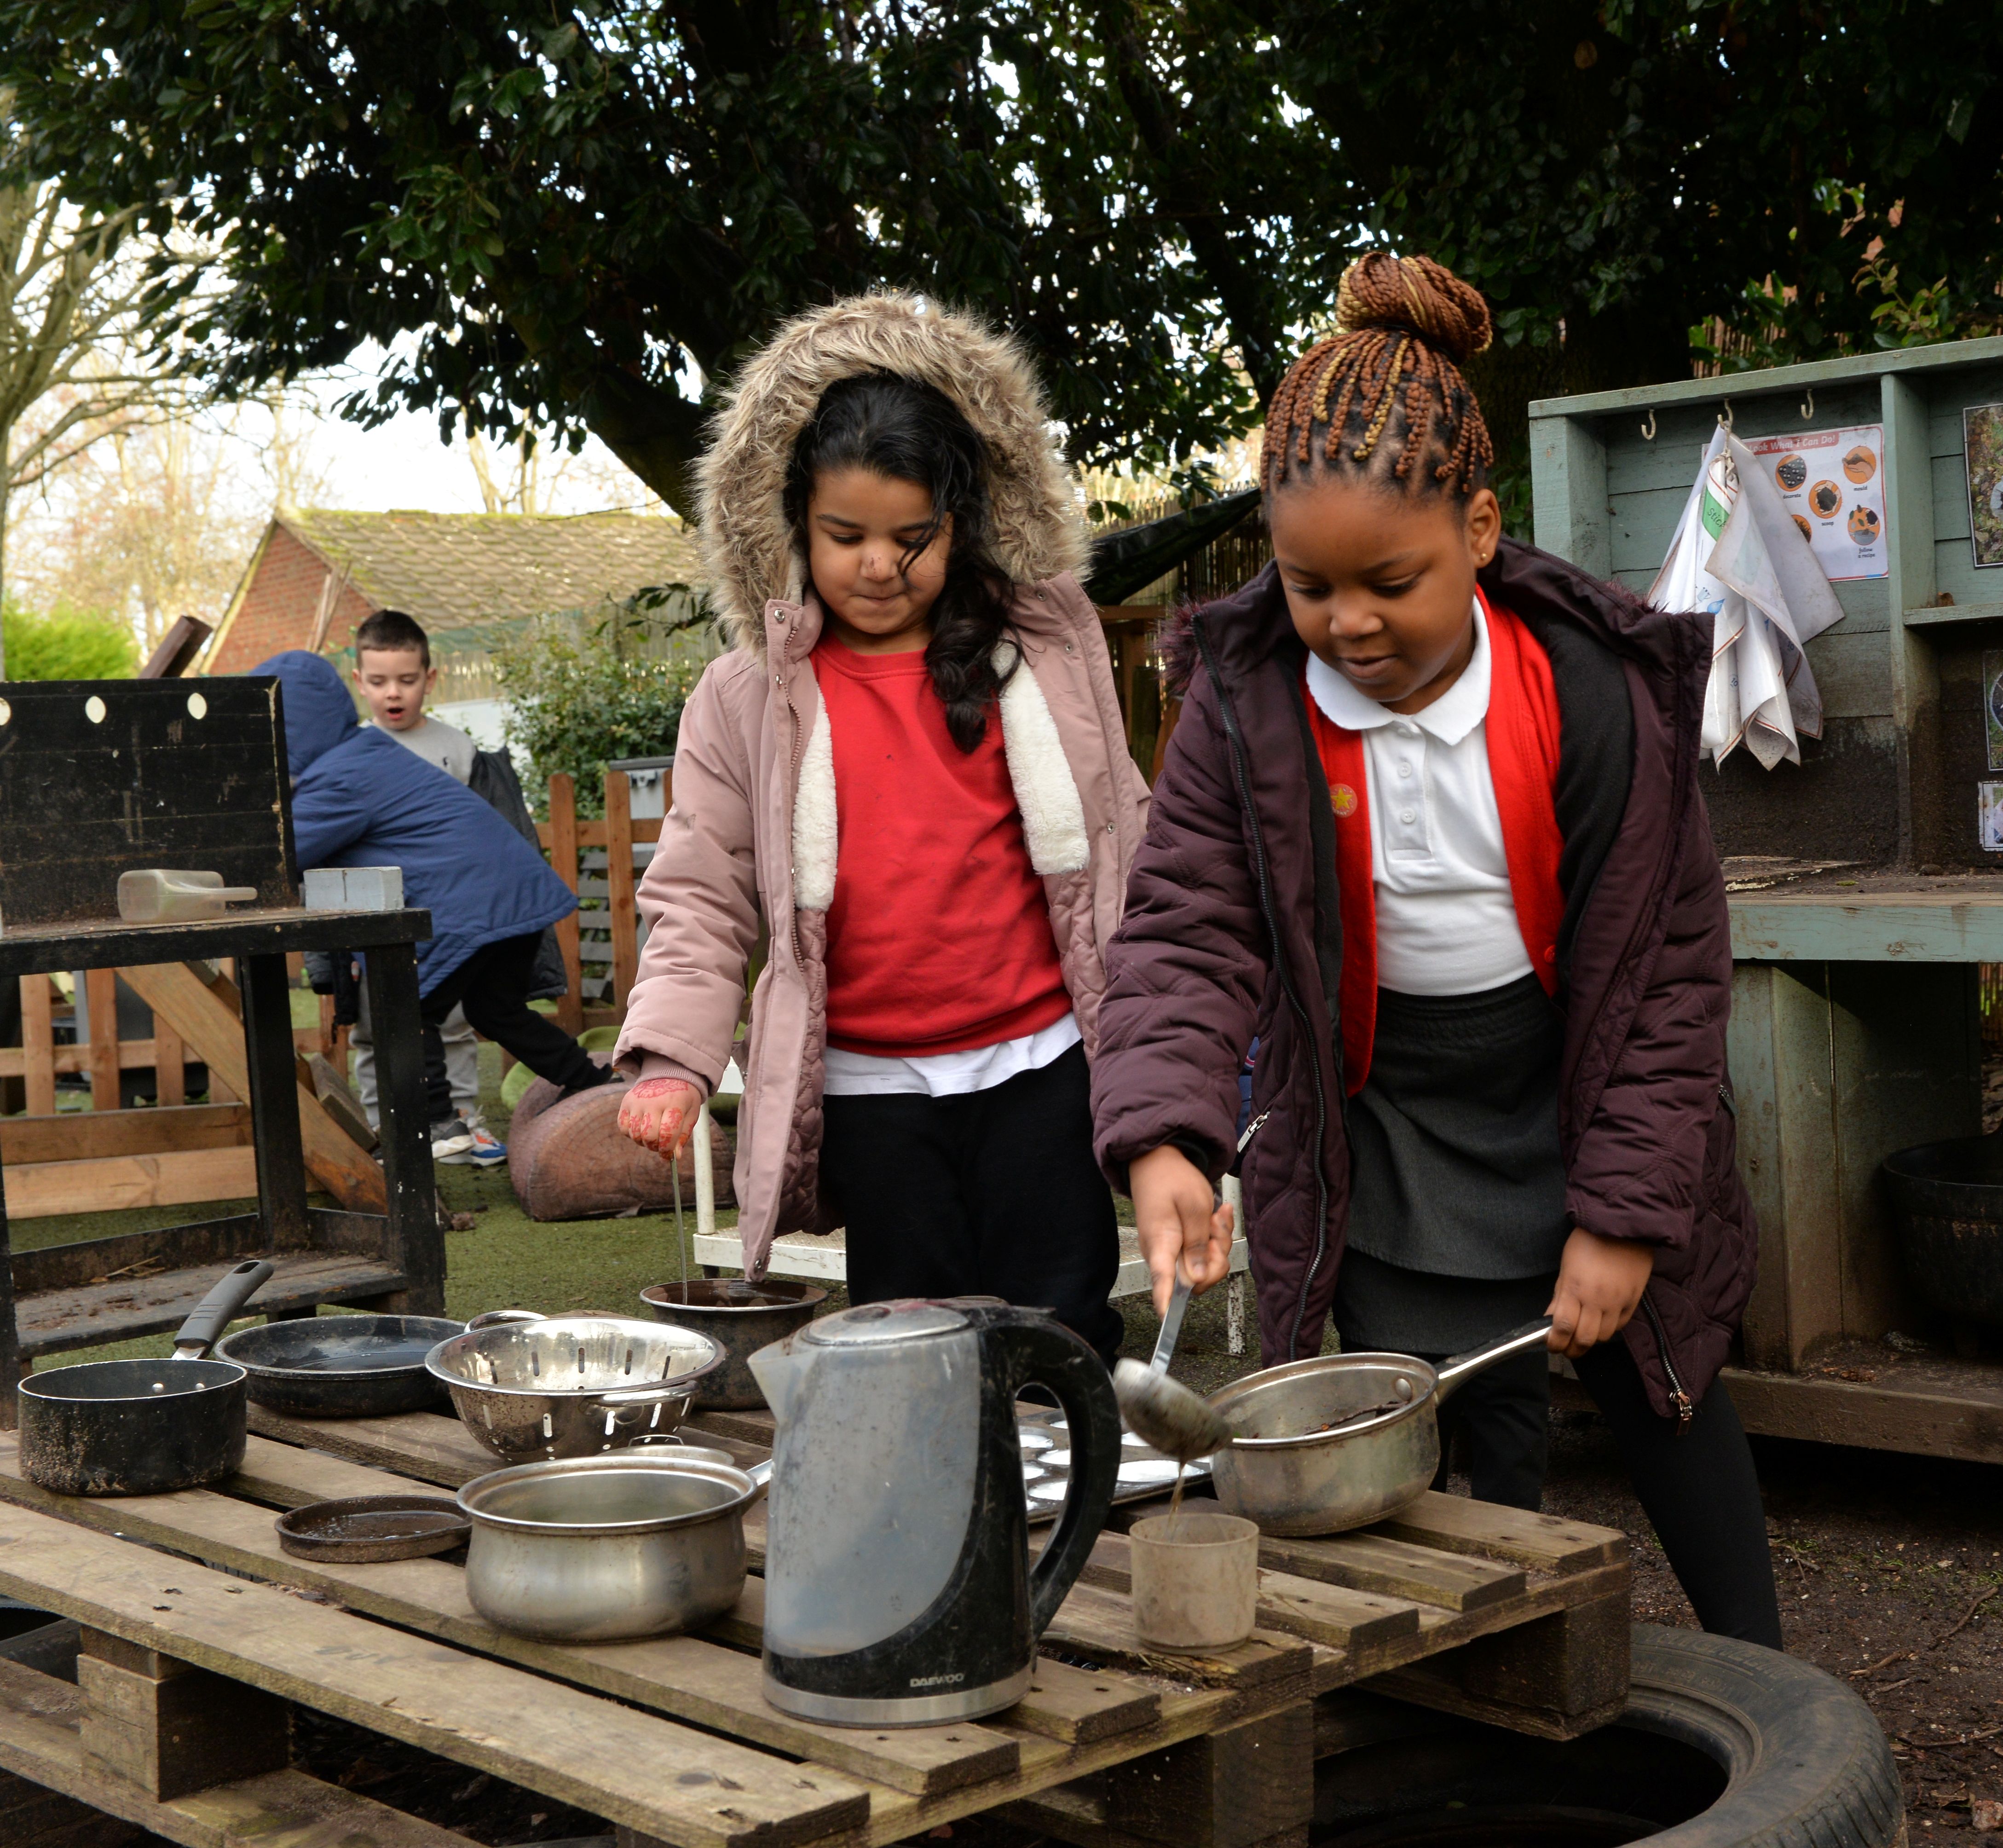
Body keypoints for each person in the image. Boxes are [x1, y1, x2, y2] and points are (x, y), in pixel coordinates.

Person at [1091, 254, 1780, 1647]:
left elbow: (1663, 976)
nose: (1346, 625)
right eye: (1307, 587)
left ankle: (1771, 1676)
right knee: (1445, 1405)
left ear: (1477, 530)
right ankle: (1490, 1680)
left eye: (1387, 584)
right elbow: (1184, 924)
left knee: (1663, 1382)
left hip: (1578, 1081)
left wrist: (1623, 1214)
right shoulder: (1247, 708)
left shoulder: (1598, 695)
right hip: (1384, 1112)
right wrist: (1166, 1134)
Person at [608, 294, 1148, 1361]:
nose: (877, 566)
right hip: (873, 1091)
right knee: (911, 1346)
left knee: (1063, 1327)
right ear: (789, 523)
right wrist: (674, 1054)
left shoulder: (1034, 660)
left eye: (913, 538)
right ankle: (938, 1527)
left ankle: (1069, 1520)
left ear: (966, 521)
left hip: (1043, 1064)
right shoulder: (748, 696)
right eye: (844, 535)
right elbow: (699, 884)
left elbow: (1126, 835)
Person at [260, 651, 615, 1143]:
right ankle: (592, 1080)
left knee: (405, 1008)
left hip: (476, 903)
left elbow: (279, 854)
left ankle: (436, 1122)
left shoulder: (340, 776)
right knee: (496, 1009)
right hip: (513, 893)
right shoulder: (364, 752)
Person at [334, 607, 569, 1166]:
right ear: (358, 681)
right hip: (384, 920)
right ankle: (388, 1129)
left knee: (459, 1022)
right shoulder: (352, 756)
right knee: (378, 1028)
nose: (394, 693)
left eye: (408, 680)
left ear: (430, 679)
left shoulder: (457, 750)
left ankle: (460, 1125)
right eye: (379, 681)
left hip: (455, 923)